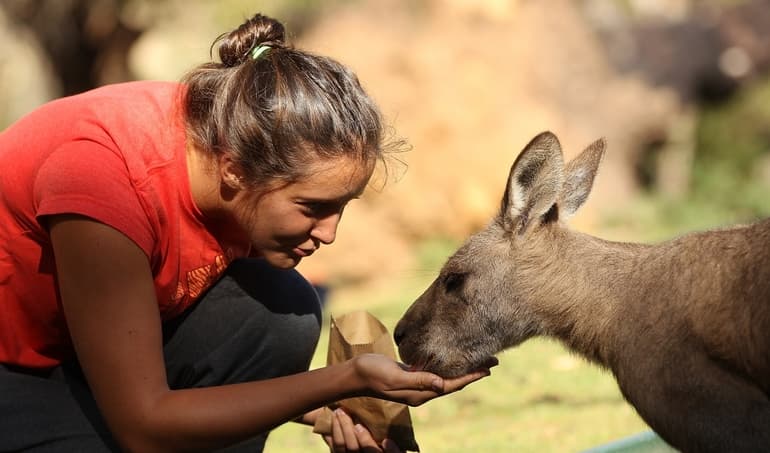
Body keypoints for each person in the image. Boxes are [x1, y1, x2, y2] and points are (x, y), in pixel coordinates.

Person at [0, 12, 495, 453]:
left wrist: (328, 411)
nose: (329, 234)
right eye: (312, 208)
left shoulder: (226, 142)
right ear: (235, 169)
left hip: (86, 350)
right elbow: (145, 428)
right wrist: (342, 379)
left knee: (281, 312)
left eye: (343, 207)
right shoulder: (103, 181)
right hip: (18, 367)